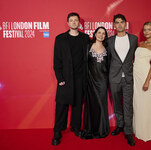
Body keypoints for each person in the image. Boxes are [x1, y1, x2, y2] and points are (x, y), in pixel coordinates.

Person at [52, 12, 90, 146]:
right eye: (71, 20)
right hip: (65, 79)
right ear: (68, 23)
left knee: (78, 104)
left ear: (79, 23)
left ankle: (76, 127)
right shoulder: (60, 38)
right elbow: (57, 61)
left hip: (80, 78)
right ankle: (57, 131)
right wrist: (60, 78)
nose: (74, 22)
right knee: (61, 106)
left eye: (76, 20)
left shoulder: (86, 38)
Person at [108, 14, 138, 146]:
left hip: (128, 77)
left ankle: (128, 132)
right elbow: (107, 59)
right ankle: (119, 125)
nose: (119, 25)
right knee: (117, 104)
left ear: (125, 24)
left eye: (122, 22)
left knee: (128, 105)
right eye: (117, 23)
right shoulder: (109, 40)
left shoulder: (133, 39)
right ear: (114, 25)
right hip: (114, 77)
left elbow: (137, 56)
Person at [133, 21, 151, 142]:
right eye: (145, 30)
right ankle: (138, 128)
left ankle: (147, 130)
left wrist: (147, 81)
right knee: (137, 105)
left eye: (149, 29)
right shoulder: (140, 44)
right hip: (136, 77)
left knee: (146, 105)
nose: (146, 32)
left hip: (146, 78)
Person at [81, 26, 110, 139]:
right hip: (90, 81)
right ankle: (91, 129)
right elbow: (84, 64)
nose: (101, 35)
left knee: (101, 105)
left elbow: (109, 65)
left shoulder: (107, 48)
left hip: (102, 81)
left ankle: (101, 129)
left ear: (105, 36)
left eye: (103, 33)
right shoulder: (88, 46)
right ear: (95, 34)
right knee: (91, 105)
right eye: (99, 32)